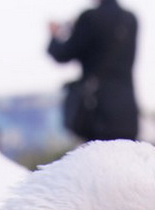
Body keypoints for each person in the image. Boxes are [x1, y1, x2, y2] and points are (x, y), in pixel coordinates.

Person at [47, 0, 139, 142]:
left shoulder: (89, 18)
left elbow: (62, 54)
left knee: (96, 159)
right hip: (126, 110)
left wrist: (54, 35)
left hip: (96, 108)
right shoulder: (131, 19)